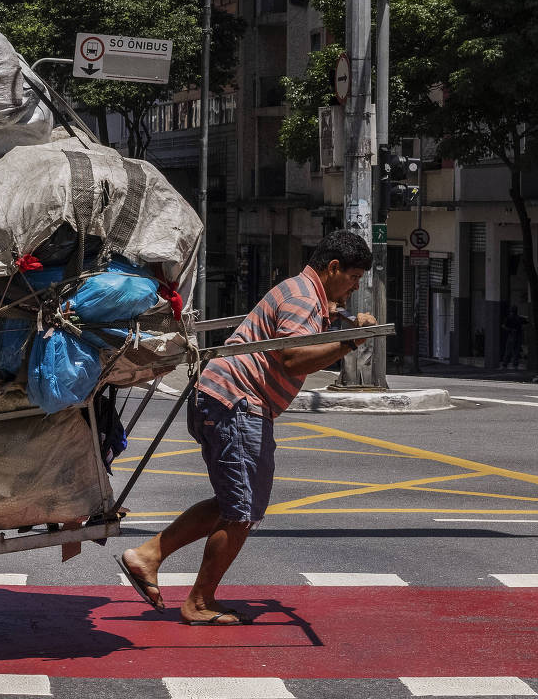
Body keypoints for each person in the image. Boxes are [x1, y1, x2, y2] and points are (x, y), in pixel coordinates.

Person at [120, 228, 376, 626]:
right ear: (334, 267)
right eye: (354, 278)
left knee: (231, 502)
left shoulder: (302, 292)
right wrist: (350, 342)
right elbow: (293, 357)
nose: (355, 287)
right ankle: (199, 602)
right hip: (238, 404)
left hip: (224, 400)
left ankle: (149, 555)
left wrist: (343, 323)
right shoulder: (303, 297)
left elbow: (306, 335)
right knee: (242, 511)